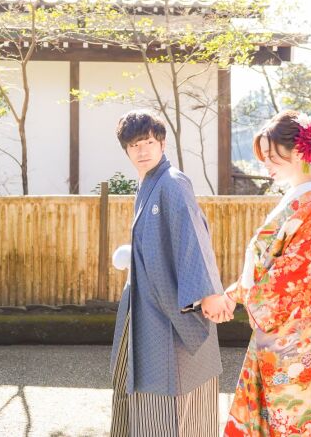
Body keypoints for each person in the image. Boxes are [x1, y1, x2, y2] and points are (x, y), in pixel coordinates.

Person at [213, 110, 311, 437]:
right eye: (263, 157)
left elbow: (295, 273)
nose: (265, 164)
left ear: (298, 152)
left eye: (271, 156)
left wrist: (247, 294)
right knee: (280, 415)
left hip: (300, 333)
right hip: (287, 326)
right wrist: (236, 292)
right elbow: (269, 265)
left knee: (301, 416)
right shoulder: (301, 201)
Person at [109, 109, 230, 437]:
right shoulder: (149, 183)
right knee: (144, 384)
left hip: (170, 309)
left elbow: (191, 235)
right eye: (134, 145)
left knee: (171, 391)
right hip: (148, 304)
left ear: (161, 143)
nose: (142, 150)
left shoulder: (172, 183)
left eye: (148, 141)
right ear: (126, 151)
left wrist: (207, 292)